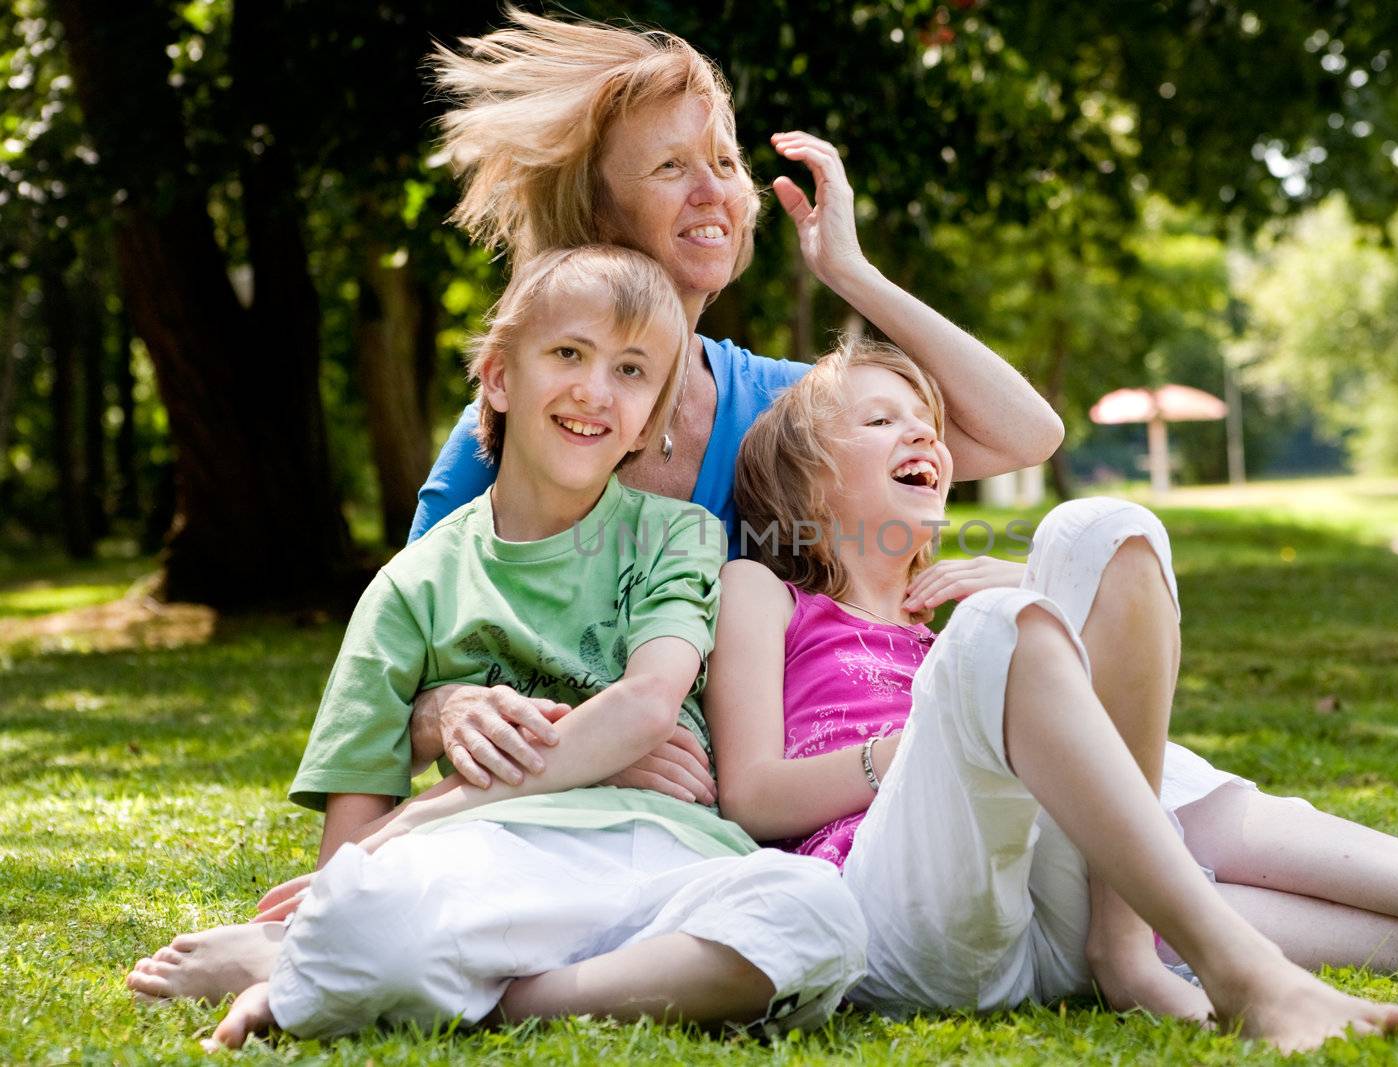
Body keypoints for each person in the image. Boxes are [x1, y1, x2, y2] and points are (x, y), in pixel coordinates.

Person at [704, 337, 1398, 1051]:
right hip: (908, 917)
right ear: (809, 480)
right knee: (998, 639)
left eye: (927, 424)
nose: (924, 437)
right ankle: (1242, 971)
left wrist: (1031, 594)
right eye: (880, 420)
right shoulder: (766, 593)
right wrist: (924, 732)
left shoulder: (951, 623)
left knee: (1106, 526)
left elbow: (1104, 720)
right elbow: (752, 793)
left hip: (1052, 924)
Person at [126, 245, 866, 1049]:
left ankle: (493, 994)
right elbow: (349, 856)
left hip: (668, 850)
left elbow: (650, 704)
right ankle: (320, 961)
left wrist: (419, 819)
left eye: (630, 371)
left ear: (652, 419)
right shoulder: (412, 586)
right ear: (500, 377)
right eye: (568, 354)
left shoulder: (677, 536)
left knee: (819, 913)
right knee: (367, 917)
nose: (594, 390)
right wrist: (383, 863)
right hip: (490, 864)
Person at [407, 10, 1068, 801]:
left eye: (723, 160)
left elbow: (1026, 433)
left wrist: (852, 274)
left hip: (753, 822)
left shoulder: (774, 404)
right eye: (670, 168)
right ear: (600, 215)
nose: (714, 188)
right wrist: (464, 712)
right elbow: (396, 667)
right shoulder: (521, 428)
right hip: (569, 812)